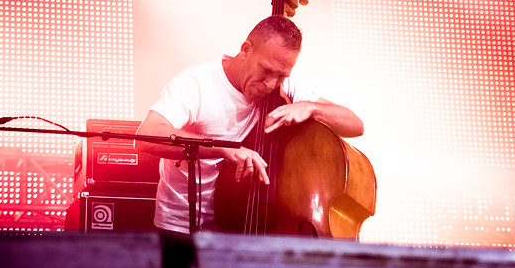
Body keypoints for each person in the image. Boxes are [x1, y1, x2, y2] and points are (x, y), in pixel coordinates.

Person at [135, 15, 364, 234]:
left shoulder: (285, 87)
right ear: (246, 50)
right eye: (266, 70)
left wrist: (311, 108)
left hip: (243, 224)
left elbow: (355, 124)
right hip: (184, 226)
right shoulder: (195, 84)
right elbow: (148, 135)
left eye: (282, 76)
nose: (271, 84)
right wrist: (223, 148)